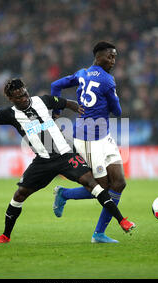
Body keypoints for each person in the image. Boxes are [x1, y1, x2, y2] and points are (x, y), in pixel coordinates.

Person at [0, 78, 136, 244]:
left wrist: (80, 113)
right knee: (19, 195)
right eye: (19, 97)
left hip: (66, 155)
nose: (24, 98)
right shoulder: (9, 114)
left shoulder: (42, 100)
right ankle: (5, 235)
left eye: (25, 94)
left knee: (93, 184)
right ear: (11, 98)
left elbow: (69, 103)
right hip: (42, 162)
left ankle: (122, 221)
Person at [49, 41, 126, 243]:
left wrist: (57, 111)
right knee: (100, 188)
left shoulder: (82, 73)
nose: (113, 60)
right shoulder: (108, 80)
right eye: (110, 56)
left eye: (115, 57)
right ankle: (64, 194)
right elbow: (118, 112)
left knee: (119, 183)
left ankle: (99, 234)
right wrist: (110, 100)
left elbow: (55, 86)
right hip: (88, 137)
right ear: (98, 56)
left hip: (103, 136)